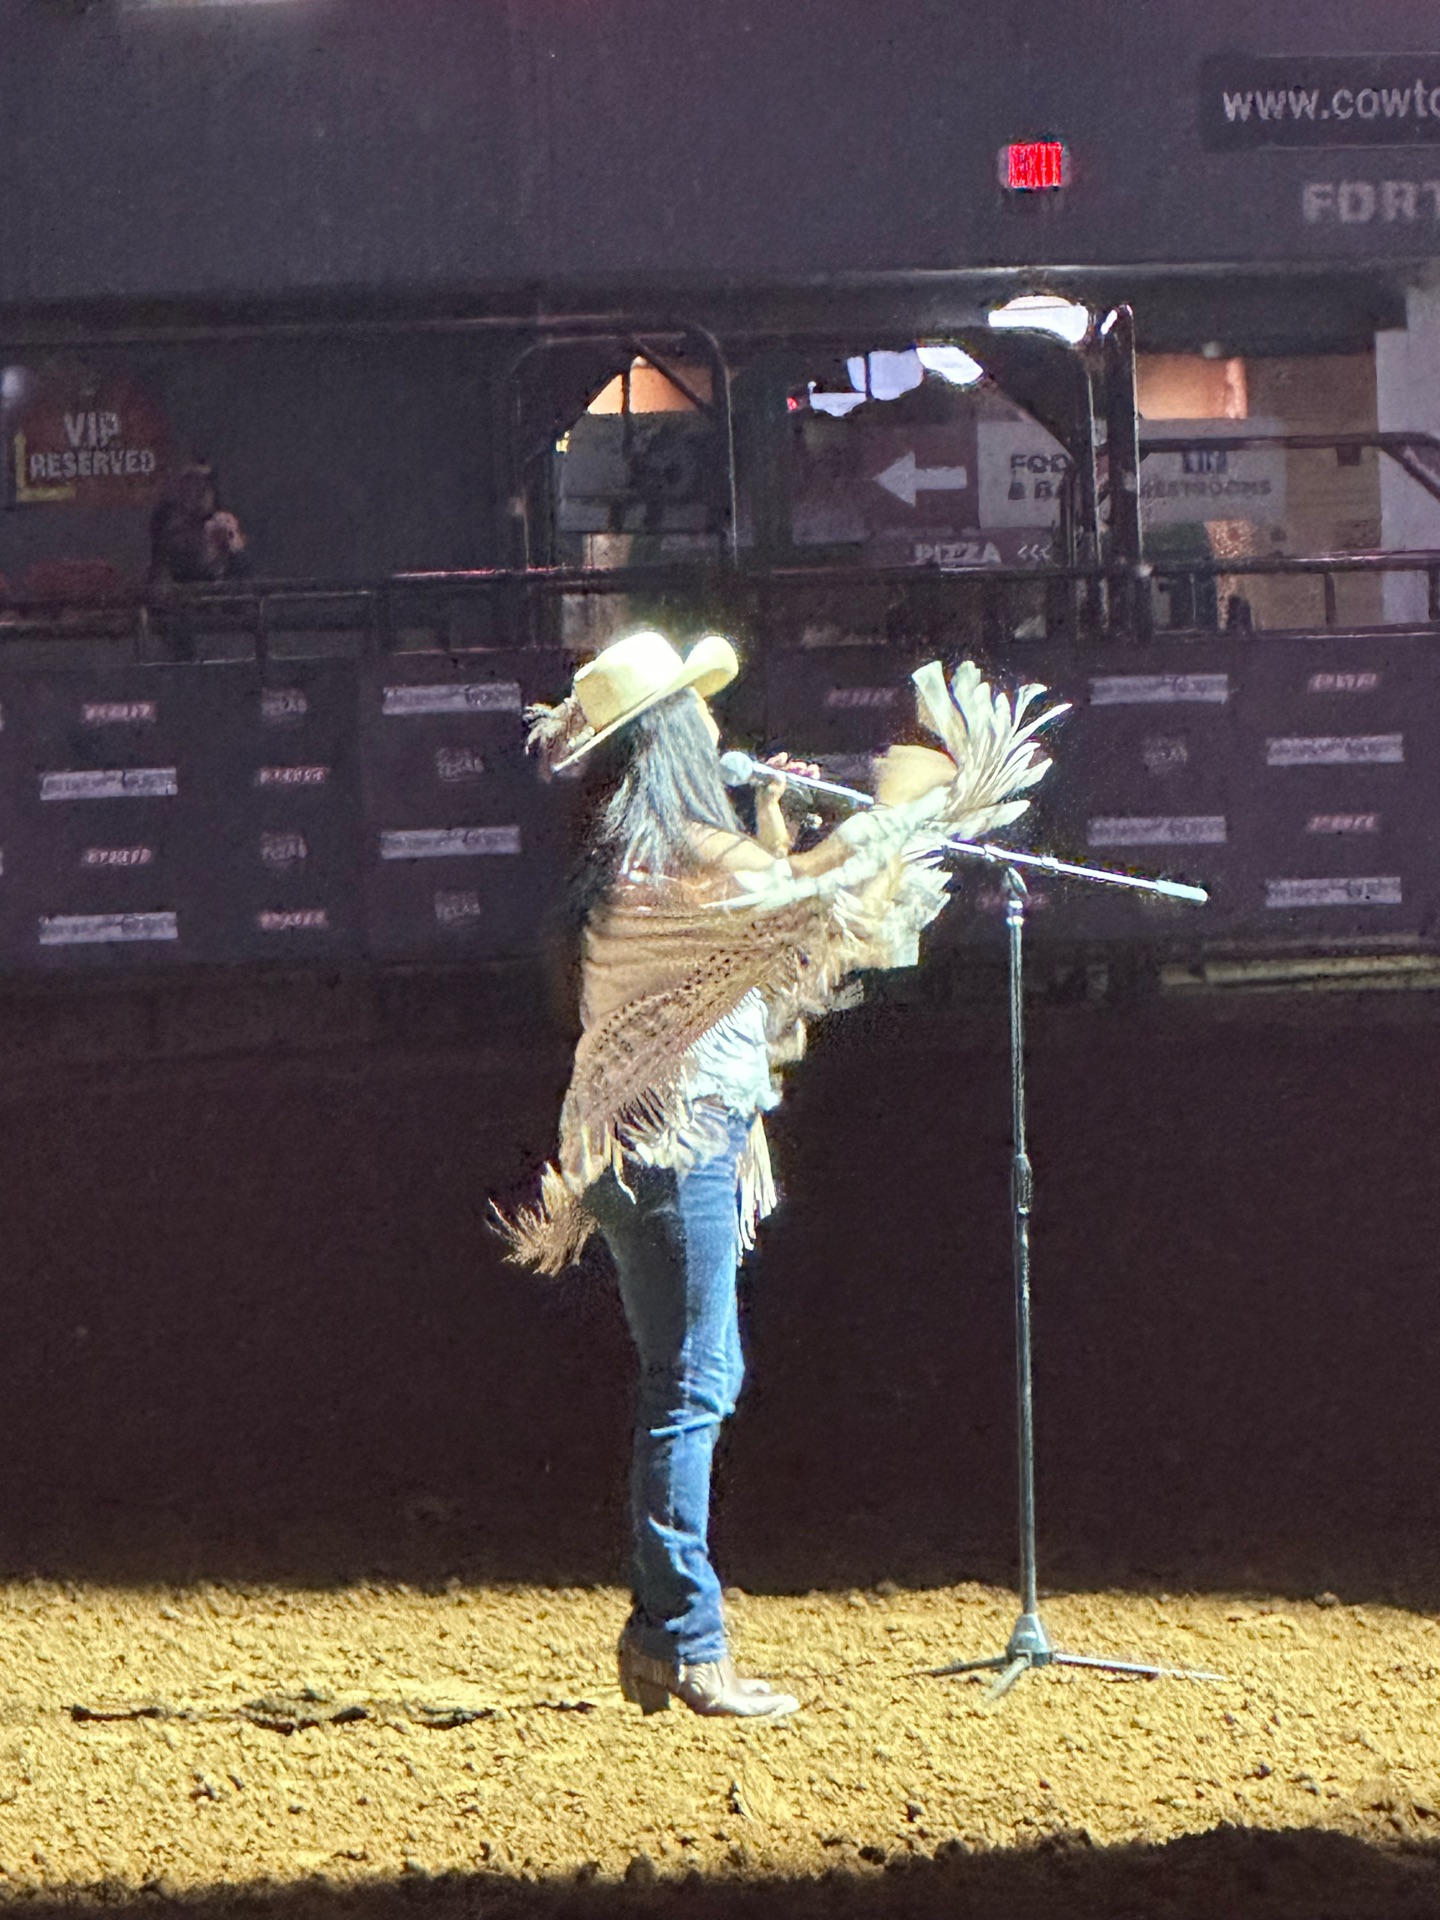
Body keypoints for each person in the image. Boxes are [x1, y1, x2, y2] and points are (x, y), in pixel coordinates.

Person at [497, 629, 1063, 1718]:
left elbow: (760, 920)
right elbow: (812, 895)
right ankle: (683, 1638)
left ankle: (665, 1634)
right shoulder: (689, 860)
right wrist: (907, 808)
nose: (717, 726)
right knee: (692, 1387)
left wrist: (778, 825)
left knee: (689, 1379)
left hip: (634, 1150)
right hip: (675, 1148)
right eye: (699, 714)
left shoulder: (636, 862)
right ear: (673, 738)